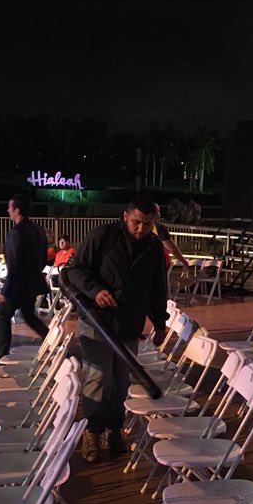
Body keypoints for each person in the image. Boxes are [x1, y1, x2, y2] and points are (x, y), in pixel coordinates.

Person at [66, 194, 168, 463]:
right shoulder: (103, 236)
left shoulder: (154, 248)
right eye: (136, 222)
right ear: (125, 216)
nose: (141, 229)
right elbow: (75, 270)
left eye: (147, 224)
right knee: (96, 378)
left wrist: (160, 321)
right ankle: (92, 430)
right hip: (96, 323)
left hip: (129, 325)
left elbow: (158, 287)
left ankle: (114, 429)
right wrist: (95, 290)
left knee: (121, 381)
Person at [0, 194, 49, 362]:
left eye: (10, 208)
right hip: (31, 283)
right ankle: (56, 343)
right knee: (30, 317)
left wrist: (5, 290)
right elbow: (43, 258)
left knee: (3, 318)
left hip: (16, 286)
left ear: (17, 210)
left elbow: (13, 263)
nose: (8, 210)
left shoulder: (16, 232)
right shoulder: (38, 230)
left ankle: (0, 360)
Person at [152, 203, 189, 268]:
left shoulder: (138, 227)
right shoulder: (158, 228)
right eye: (158, 212)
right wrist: (184, 262)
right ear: (154, 214)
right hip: (156, 263)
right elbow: (172, 248)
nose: (160, 215)